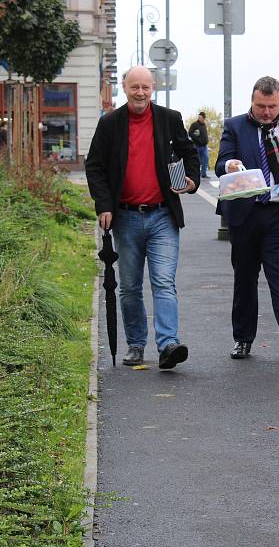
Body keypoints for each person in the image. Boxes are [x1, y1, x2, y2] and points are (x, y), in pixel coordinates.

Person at [85, 65, 200, 369]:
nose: (140, 93)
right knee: (131, 286)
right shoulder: (110, 123)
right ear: (124, 87)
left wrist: (191, 179)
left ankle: (168, 345)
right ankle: (136, 344)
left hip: (163, 214)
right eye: (134, 87)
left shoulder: (169, 119)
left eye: (145, 88)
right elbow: (94, 166)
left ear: (153, 89)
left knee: (163, 281)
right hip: (125, 217)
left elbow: (190, 153)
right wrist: (104, 205)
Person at [215, 76, 279, 366]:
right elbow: (221, 162)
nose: (267, 112)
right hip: (246, 213)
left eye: (272, 107)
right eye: (261, 106)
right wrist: (230, 164)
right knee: (245, 278)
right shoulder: (235, 126)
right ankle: (243, 338)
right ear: (252, 101)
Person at [188, 111, 210, 178]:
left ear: (203, 118)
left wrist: (206, 140)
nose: (199, 118)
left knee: (206, 159)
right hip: (197, 145)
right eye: (199, 117)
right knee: (196, 160)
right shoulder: (194, 124)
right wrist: (196, 139)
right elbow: (190, 133)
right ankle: (195, 174)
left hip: (204, 146)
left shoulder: (204, 125)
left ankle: (204, 174)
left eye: (201, 117)